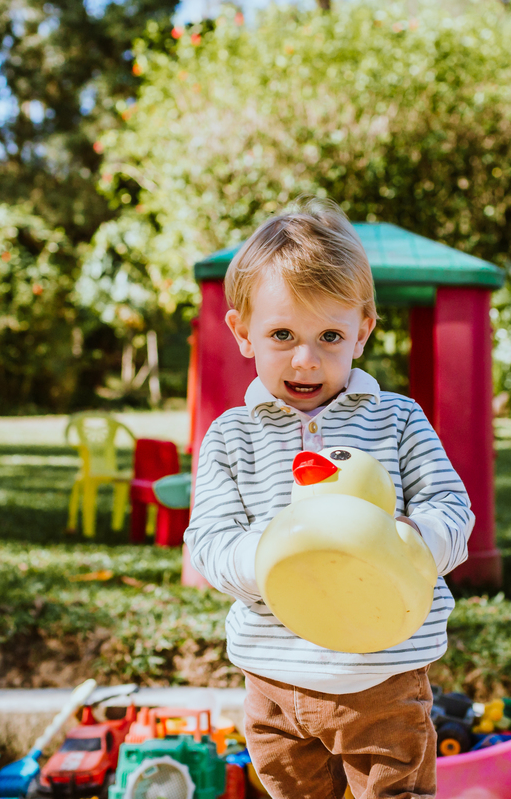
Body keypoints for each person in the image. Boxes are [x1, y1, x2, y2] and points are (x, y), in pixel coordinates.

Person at [184, 199, 474, 799]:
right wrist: (269, 555)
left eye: (330, 335)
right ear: (242, 333)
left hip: (384, 675)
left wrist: (407, 544)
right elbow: (209, 541)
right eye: (282, 334)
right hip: (275, 676)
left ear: (363, 331)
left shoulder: (397, 420)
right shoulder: (232, 436)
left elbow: (452, 509)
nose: (305, 358)